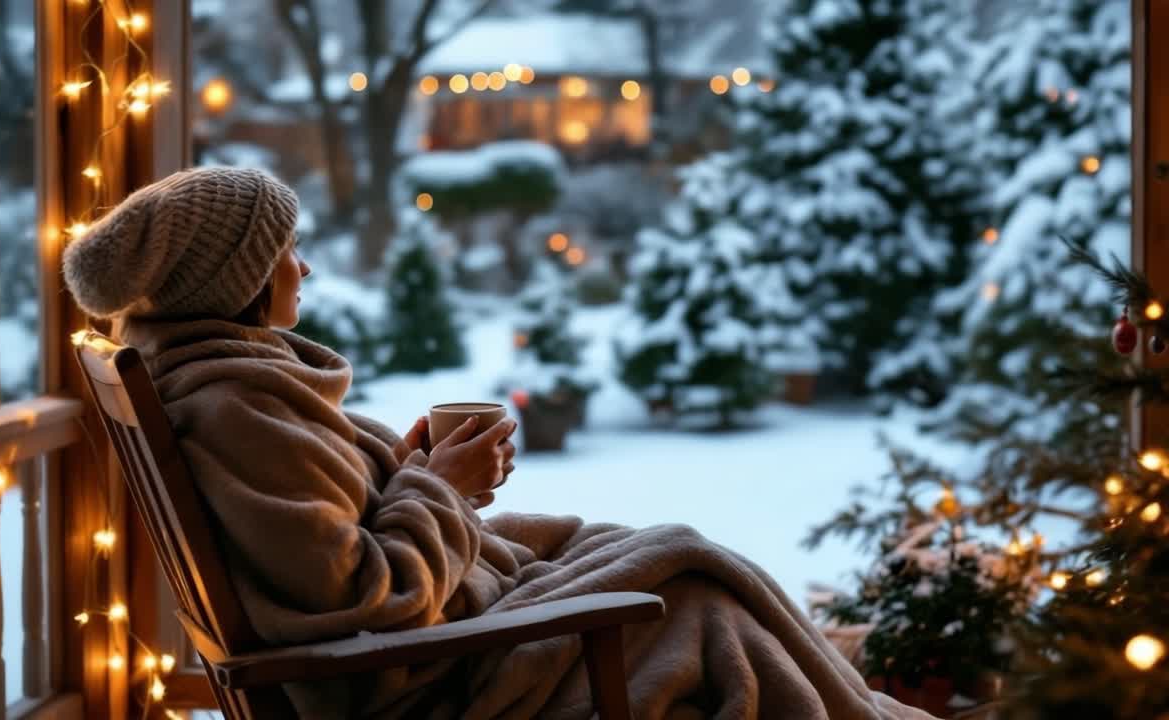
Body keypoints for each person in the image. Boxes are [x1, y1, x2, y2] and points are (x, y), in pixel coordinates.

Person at [63, 167, 933, 719]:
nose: (306, 269)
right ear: (237, 280)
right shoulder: (237, 408)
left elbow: (316, 535)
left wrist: (408, 471)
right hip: (431, 683)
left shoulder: (226, 386)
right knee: (697, 592)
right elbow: (365, 593)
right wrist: (439, 487)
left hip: (448, 635)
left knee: (646, 550)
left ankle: (851, 701)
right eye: (289, 253)